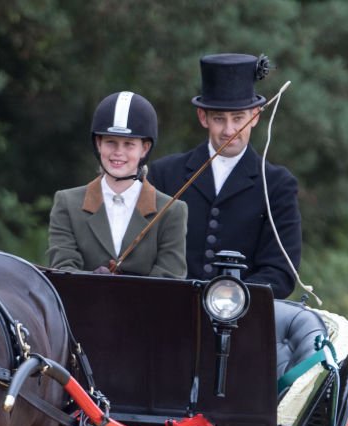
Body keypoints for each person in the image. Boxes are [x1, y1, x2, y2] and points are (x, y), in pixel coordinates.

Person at [147, 53, 301, 298]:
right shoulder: (165, 174)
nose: (229, 130)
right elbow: (146, 254)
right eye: (219, 119)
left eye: (238, 118)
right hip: (169, 314)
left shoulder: (277, 185)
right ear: (203, 117)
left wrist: (228, 301)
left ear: (255, 116)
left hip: (243, 322)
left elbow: (280, 272)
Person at [47, 91, 187, 278]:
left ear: (144, 148)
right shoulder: (67, 203)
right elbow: (62, 268)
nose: (118, 152)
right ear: (98, 143)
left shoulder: (171, 211)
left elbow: (170, 277)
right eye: (111, 142)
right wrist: (92, 283)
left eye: (129, 144)